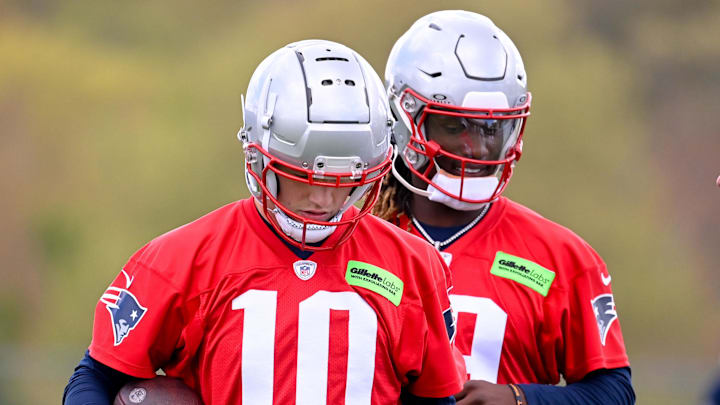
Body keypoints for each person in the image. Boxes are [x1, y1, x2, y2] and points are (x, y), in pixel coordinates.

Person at [63, 39, 462, 405]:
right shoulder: (182, 259)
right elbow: (98, 375)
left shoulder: (413, 266)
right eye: (302, 177)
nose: (322, 200)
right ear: (259, 158)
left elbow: (434, 397)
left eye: (343, 181)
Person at [374, 10, 635, 405]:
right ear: (403, 119)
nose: (475, 147)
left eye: (490, 129)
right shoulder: (359, 242)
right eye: (454, 126)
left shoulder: (563, 259)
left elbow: (614, 393)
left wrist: (519, 399)